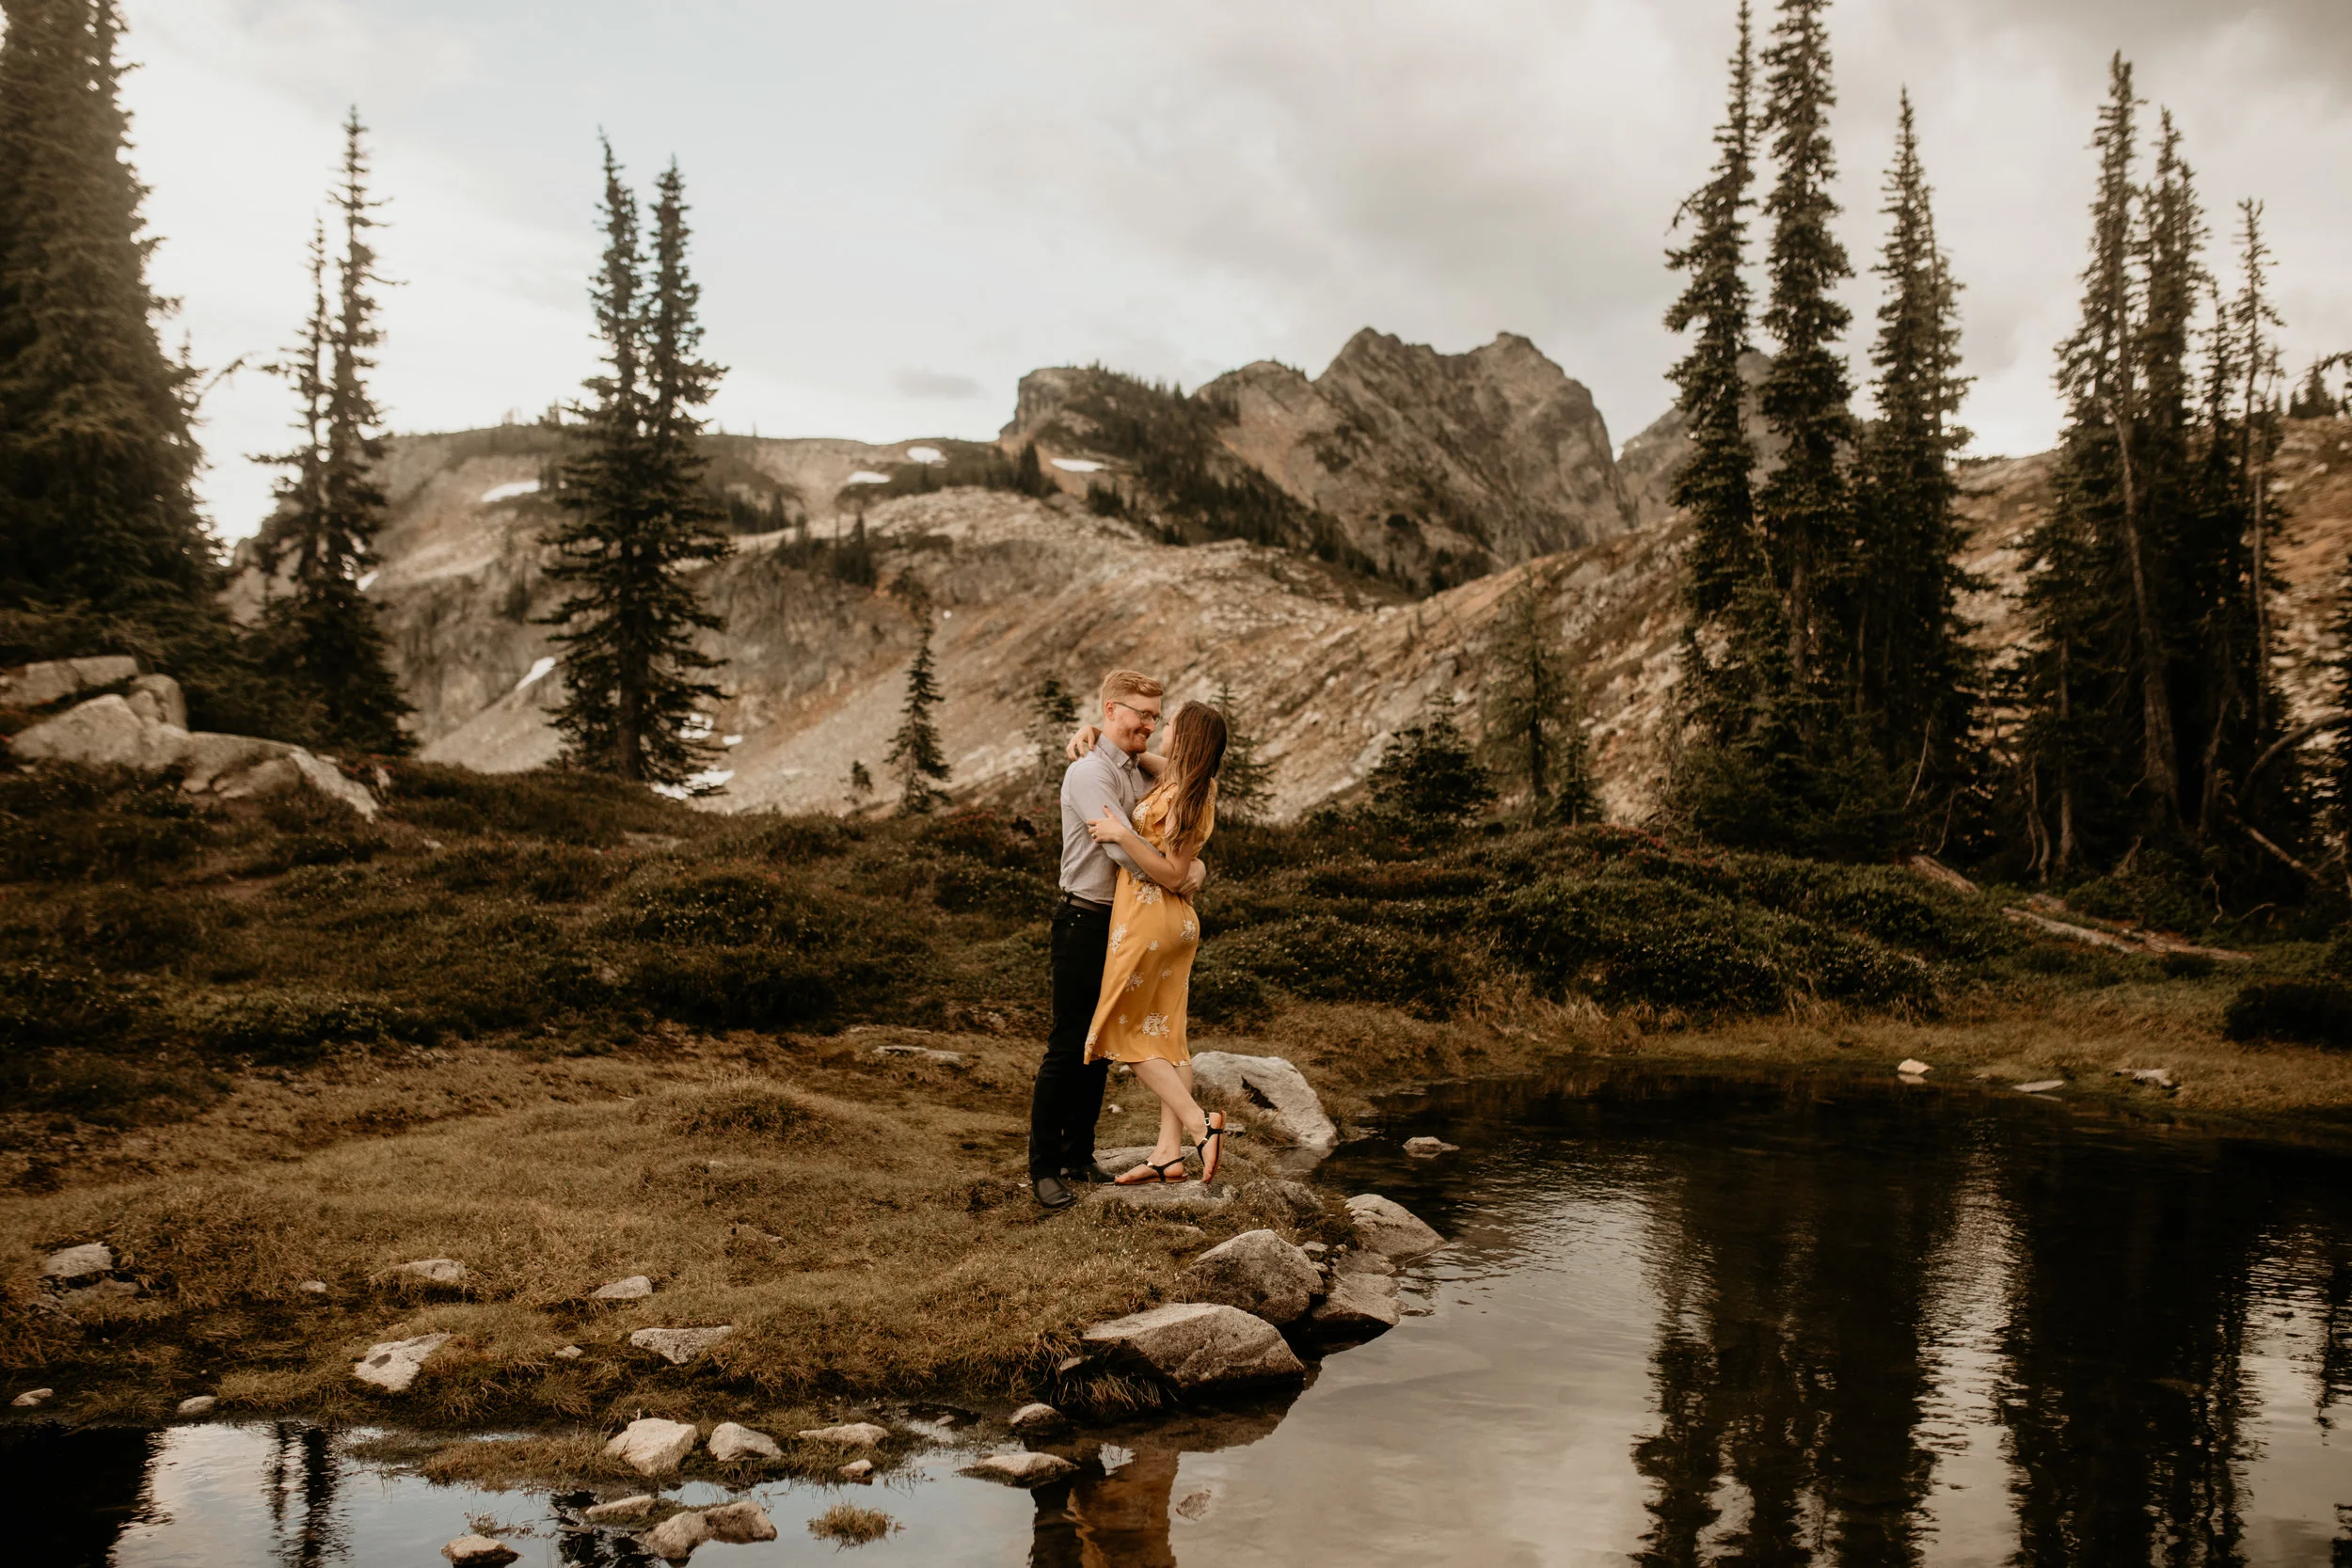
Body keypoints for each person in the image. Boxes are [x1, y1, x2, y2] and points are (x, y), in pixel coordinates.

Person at [1029, 671, 1203, 1210]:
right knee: (1067, 1045)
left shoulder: (1139, 770)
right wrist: (1178, 875)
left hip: (1127, 925)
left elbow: (1183, 803)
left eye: (1156, 716)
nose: (1149, 725)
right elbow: (1123, 851)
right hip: (1085, 919)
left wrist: (1194, 863)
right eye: (1140, 714)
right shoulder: (1089, 773)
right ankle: (1043, 1169)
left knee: (1100, 1047)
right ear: (1111, 709)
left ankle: (1079, 1157)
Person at [1081, 700, 1228, 1186]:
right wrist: (1096, 734)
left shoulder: (1187, 794)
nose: (1159, 731)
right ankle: (1168, 1155)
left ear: (1185, 738)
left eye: (1169, 726)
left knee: (1117, 1032)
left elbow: (1172, 872)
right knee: (1168, 1036)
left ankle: (1198, 1124)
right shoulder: (1190, 782)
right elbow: (1140, 759)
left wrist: (1123, 833)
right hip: (1174, 924)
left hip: (1150, 918)